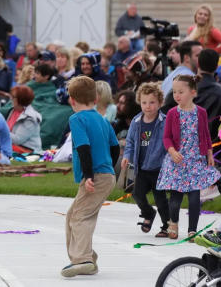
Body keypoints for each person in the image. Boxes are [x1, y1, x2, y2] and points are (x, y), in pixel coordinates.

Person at [61, 76, 120, 278]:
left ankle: (82, 259)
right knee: (75, 215)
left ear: (71, 100)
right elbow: (115, 147)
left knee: (80, 217)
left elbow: (83, 147)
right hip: (106, 175)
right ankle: (89, 259)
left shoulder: (76, 119)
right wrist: (108, 168)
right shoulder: (103, 120)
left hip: (94, 176)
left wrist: (88, 176)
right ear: (96, 98)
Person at [158, 74, 221, 240]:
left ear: (193, 92)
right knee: (175, 200)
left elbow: (206, 135)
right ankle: (173, 223)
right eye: (174, 92)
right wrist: (171, 151)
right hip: (177, 161)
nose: (177, 95)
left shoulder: (201, 112)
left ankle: (192, 230)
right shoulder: (172, 113)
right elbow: (166, 137)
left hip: (195, 162)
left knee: (194, 200)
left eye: (181, 92)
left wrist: (209, 153)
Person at [122, 82, 171, 238]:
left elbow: (169, 142)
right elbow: (130, 142)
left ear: (160, 103)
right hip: (141, 168)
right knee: (137, 194)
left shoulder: (164, 122)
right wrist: (126, 156)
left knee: (161, 200)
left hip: (158, 169)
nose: (148, 106)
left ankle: (166, 226)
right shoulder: (137, 122)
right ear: (139, 102)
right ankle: (148, 213)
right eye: (144, 102)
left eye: (152, 102)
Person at [164, 48, 221, 140]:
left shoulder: (181, 86)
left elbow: (165, 111)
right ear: (217, 66)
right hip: (208, 145)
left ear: (198, 64)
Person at [7, 85, 42, 153]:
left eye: (13, 97)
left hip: (27, 150)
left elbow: (18, 140)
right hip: (12, 146)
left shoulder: (30, 118)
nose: (11, 99)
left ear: (20, 99)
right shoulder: (13, 111)